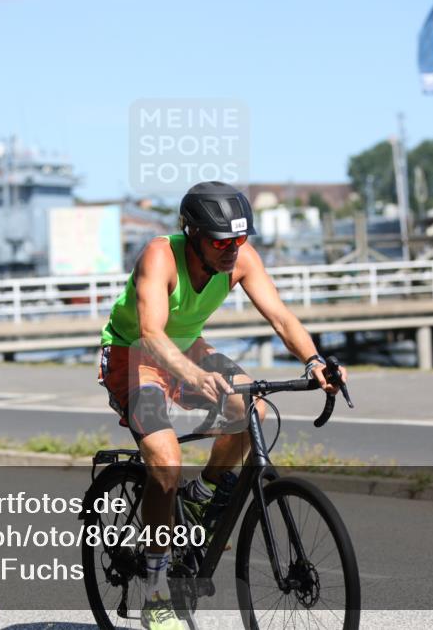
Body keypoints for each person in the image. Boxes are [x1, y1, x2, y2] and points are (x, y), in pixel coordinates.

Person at [97, 181, 346, 629]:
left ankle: (204, 493)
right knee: (166, 464)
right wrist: (192, 376)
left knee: (251, 408)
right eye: (221, 242)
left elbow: (282, 317)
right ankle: (155, 595)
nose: (232, 249)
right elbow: (152, 333)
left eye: (240, 239)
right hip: (133, 353)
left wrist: (314, 361)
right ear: (192, 234)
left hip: (188, 348)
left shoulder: (241, 260)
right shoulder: (159, 255)